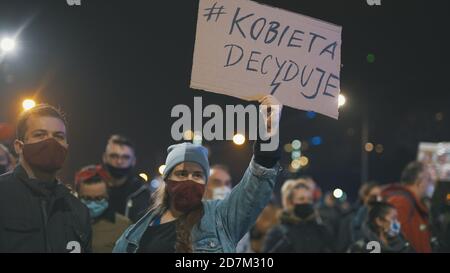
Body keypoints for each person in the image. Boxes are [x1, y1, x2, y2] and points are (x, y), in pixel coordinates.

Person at [113, 95, 282, 253]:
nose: (189, 180)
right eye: (182, 173)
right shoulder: (134, 234)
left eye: (197, 175)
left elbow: (256, 183)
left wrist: (268, 135)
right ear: (167, 179)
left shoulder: (220, 218)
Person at [0, 104, 92, 253]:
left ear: (66, 146)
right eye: (40, 134)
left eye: (58, 136)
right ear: (19, 146)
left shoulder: (78, 211)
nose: (51, 142)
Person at [262, 183, 333, 253]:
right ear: (290, 202)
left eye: (309, 199)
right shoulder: (278, 232)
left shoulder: (321, 230)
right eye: (301, 199)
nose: (306, 202)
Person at [75, 165, 132, 253]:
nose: (93, 204)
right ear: (78, 196)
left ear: (108, 195)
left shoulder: (123, 226)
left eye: (99, 198)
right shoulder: (67, 223)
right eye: (87, 198)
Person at [382, 161, 435, 253]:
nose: (431, 183)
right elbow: (394, 242)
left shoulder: (412, 204)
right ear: (419, 182)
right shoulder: (400, 203)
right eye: (429, 179)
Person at [102, 134, 150, 222]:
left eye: (125, 157)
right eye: (114, 156)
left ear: (133, 161)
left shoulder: (143, 194)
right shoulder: (94, 191)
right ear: (104, 157)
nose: (119, 162)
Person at [349, 201, 413, 253]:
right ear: (379, 221)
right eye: (393, 218)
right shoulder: (362, 248)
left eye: (397, 218)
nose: (397, 222)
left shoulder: (403, 242)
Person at [336, 181, 382, 252]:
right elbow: (343, 246)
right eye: (374, 196)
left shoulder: (385, 218)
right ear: (364, 196)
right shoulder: (350, 218)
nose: (378, 199)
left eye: (380, 196)